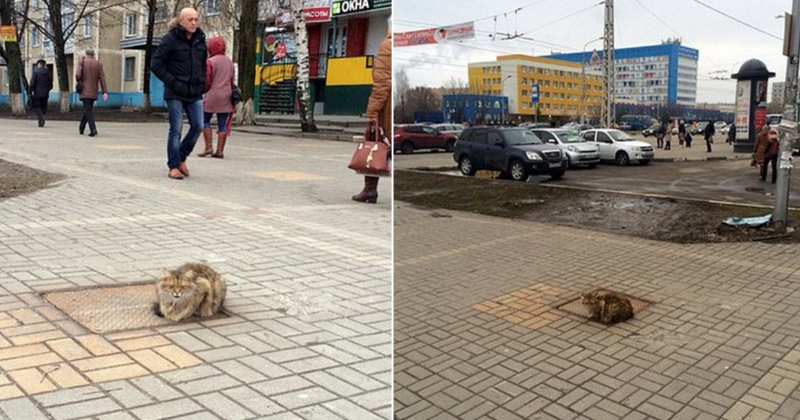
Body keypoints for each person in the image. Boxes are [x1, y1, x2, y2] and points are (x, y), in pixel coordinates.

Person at [151, 7, 208, 180]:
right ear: (180, 21)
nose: (193, 23)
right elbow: (156, 65)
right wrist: (173, 82)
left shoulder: (200, 39)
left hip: (194, 91)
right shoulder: (170, 40)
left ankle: (182, 157)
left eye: (196, 19)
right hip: (175, 92)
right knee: (176, 128)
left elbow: (203, 64)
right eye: (190, 19)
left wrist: (202, 82)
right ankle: (173, 166)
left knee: (198, 125)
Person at [351, 22, 391, 204]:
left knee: (375, 145)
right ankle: (369, 190)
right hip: (390, 107)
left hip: (386, 110)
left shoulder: (387, 46)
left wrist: (372, 113)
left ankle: (370, 190)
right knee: (381, 149)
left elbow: (381, 84)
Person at [198, 37, 234, 159]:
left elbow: (207, 80)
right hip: (226, 95)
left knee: (205, 120)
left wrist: (203, 90)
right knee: (222, 123)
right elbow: (231, 79)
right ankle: (220, 151)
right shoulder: (229, 62)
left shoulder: (210, 61)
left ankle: (208, 147)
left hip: (212, 94)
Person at [75, 48, 108, 136]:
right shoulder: (99, 64)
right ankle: (81, 127)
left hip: (84, 90)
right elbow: (102, 78)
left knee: (88, 110)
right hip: (93, 91)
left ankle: (93, 129)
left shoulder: (82, 61)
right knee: (88, 109)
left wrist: (79, 78)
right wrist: (105, 91)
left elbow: (78, 75)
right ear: (93, 54)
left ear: (86, 54)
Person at [29, 59, 52, 127]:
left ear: (39, 64)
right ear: (44, 65)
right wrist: (47, 90)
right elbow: (50, 84)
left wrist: (30, 91)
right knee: (43, 107)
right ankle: (41, 122)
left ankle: (41, 117)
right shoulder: (48, 73)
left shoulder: (36, 72)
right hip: (45, 93)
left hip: (37, 93)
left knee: (36, 106)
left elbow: (32, 83)